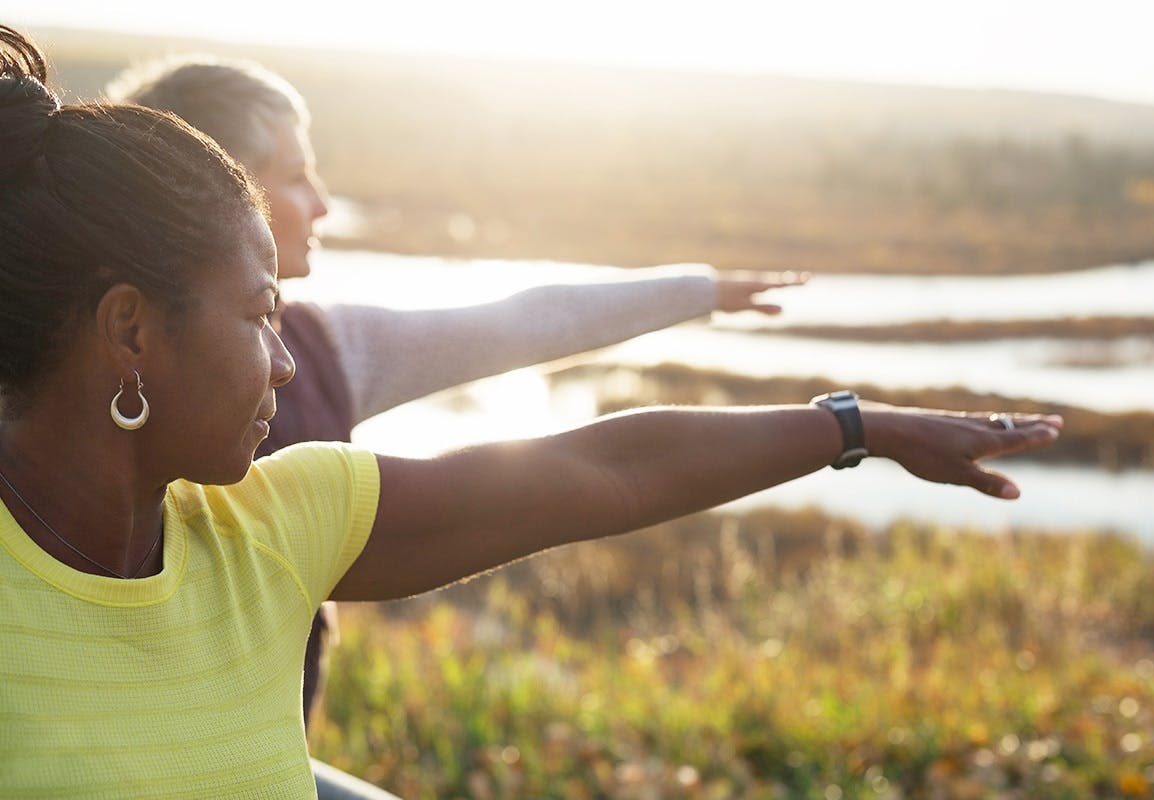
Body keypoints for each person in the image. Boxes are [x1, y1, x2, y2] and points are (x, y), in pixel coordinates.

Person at [0, 25, 1063, 799]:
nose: (284, 363)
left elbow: (609, 471)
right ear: (131, 331)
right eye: (257, 313)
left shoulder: (274, 523)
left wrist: (859, 424)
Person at [104, 52, 811, 734]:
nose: (321, 202)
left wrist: (702, 291)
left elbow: (521, 323)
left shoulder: (332, 348)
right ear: (219, 192)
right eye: (296, 175)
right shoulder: (92, 373)